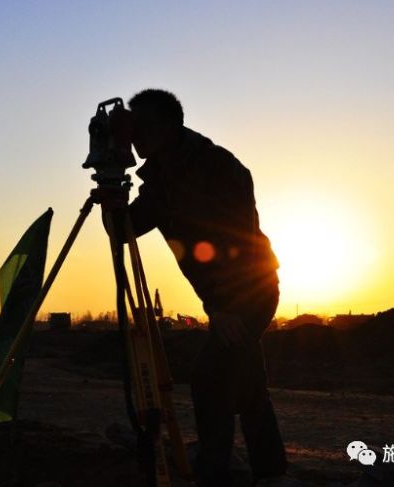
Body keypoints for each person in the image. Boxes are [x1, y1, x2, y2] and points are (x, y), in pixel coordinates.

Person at [123, 89, 287, 485]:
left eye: (143, 126)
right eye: (132, 128)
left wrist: (225, 306)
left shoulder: (220, 167)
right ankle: (270, 469)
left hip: (251, 290)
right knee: (246, 380)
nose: (135, 137)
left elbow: (239, 243)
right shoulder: (159, 180)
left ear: (170, 126)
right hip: (224, 298)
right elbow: (124, 230)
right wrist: (112, 185)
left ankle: (215, 470)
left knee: (210, 377)